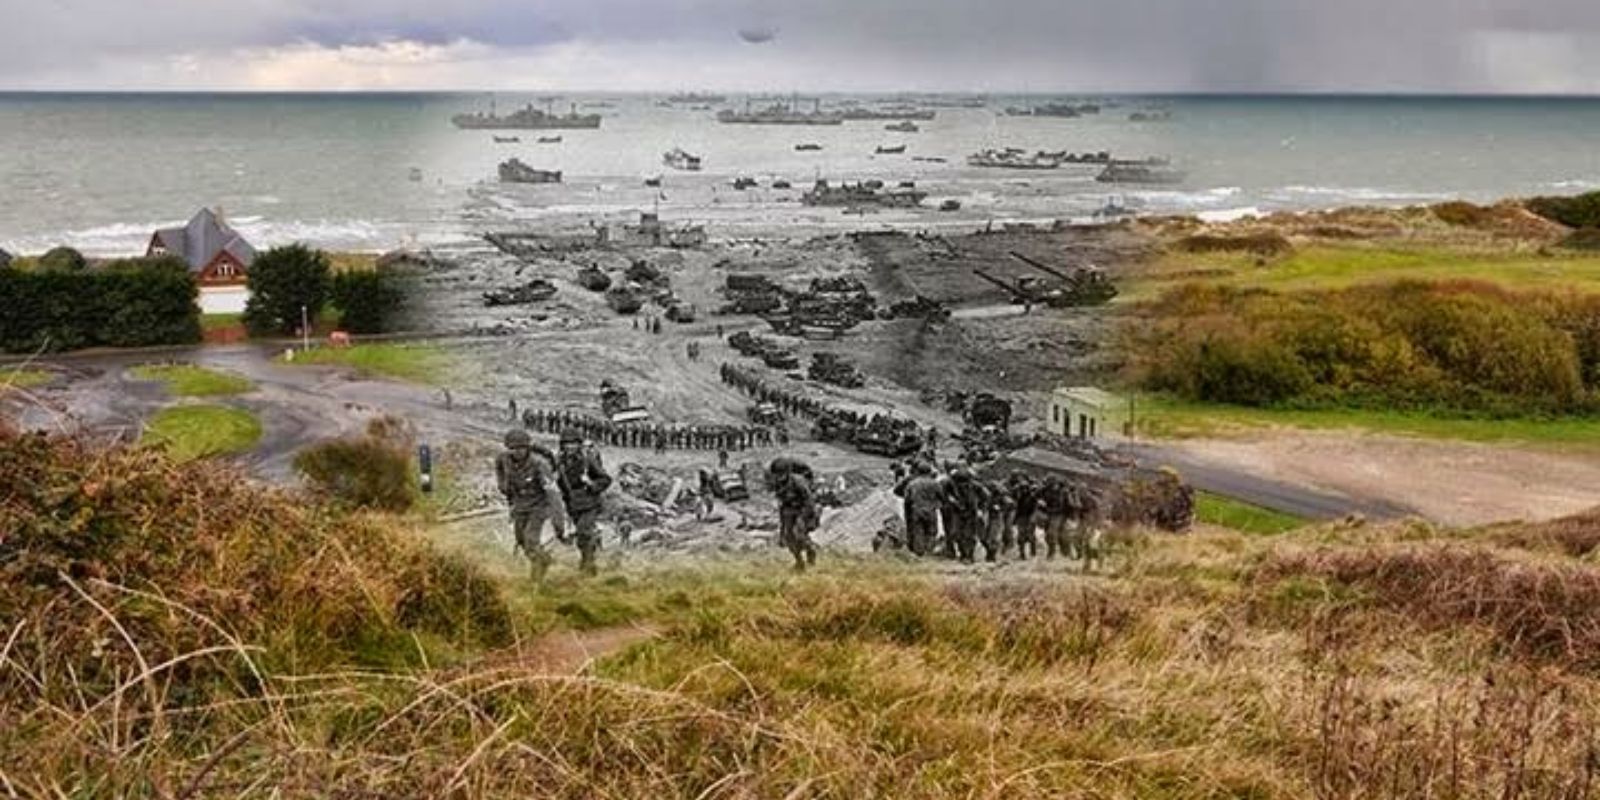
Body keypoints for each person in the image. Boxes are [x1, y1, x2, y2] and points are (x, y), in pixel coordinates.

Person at [495, 428, 559, 581]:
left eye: (521, 448)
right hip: (520, 505)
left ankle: (536, 577)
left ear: (527, 448)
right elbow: (499, 469)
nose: (517, 452)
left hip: (539, 506)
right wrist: (503, 485)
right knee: (521, 540)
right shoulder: (503, 459)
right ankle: (544, 558)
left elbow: (552, 492)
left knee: (531, 539)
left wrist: (558, 521)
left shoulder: (539, 464)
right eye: (513, 448)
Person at [556, 429, 613, 576]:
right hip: (572, 505)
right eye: (567, 444)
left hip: (590, 503)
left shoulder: (587, 460)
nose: (570, 447)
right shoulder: (559, 462)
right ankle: (586, 559)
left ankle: (589, 565)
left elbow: (606, 479)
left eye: (573, 444)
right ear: (562, 445)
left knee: (583, 532)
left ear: (579, 445)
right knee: (582, 538)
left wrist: (591, 484)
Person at [772, 459, 819, 571]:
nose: (778, 477)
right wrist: (782, 527)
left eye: (780, 474)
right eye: (776, 475)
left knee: (798, 534)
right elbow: (781, 502)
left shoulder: (798, 482)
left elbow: (809, 501)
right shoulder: (778, 484)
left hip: (803, 510)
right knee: (788, 538)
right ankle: (799, 562)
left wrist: (802, 518)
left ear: (787, 472)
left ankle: (811, 551)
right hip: (788, 511)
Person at [895, 460, 943, 556]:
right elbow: (942, 496)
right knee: (931, 531)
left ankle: (919, 553)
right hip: (930, 510)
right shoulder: (935, 483)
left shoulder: (912, 483)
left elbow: (907, 498)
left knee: (918, 531)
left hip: (916, 510)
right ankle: (929, 551)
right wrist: (937, 504)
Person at [943, 466, 988, 563]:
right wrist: (951, 501)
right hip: (957, 512)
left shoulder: (976, 486)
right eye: (959, 482)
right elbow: (944, 495)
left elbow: (986, 497)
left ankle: (969, 555)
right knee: (957, 534)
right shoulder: (950, 485)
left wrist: (981, 509)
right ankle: (963, 554)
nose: (962, 485)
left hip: (971, 512)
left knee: (970, 535)